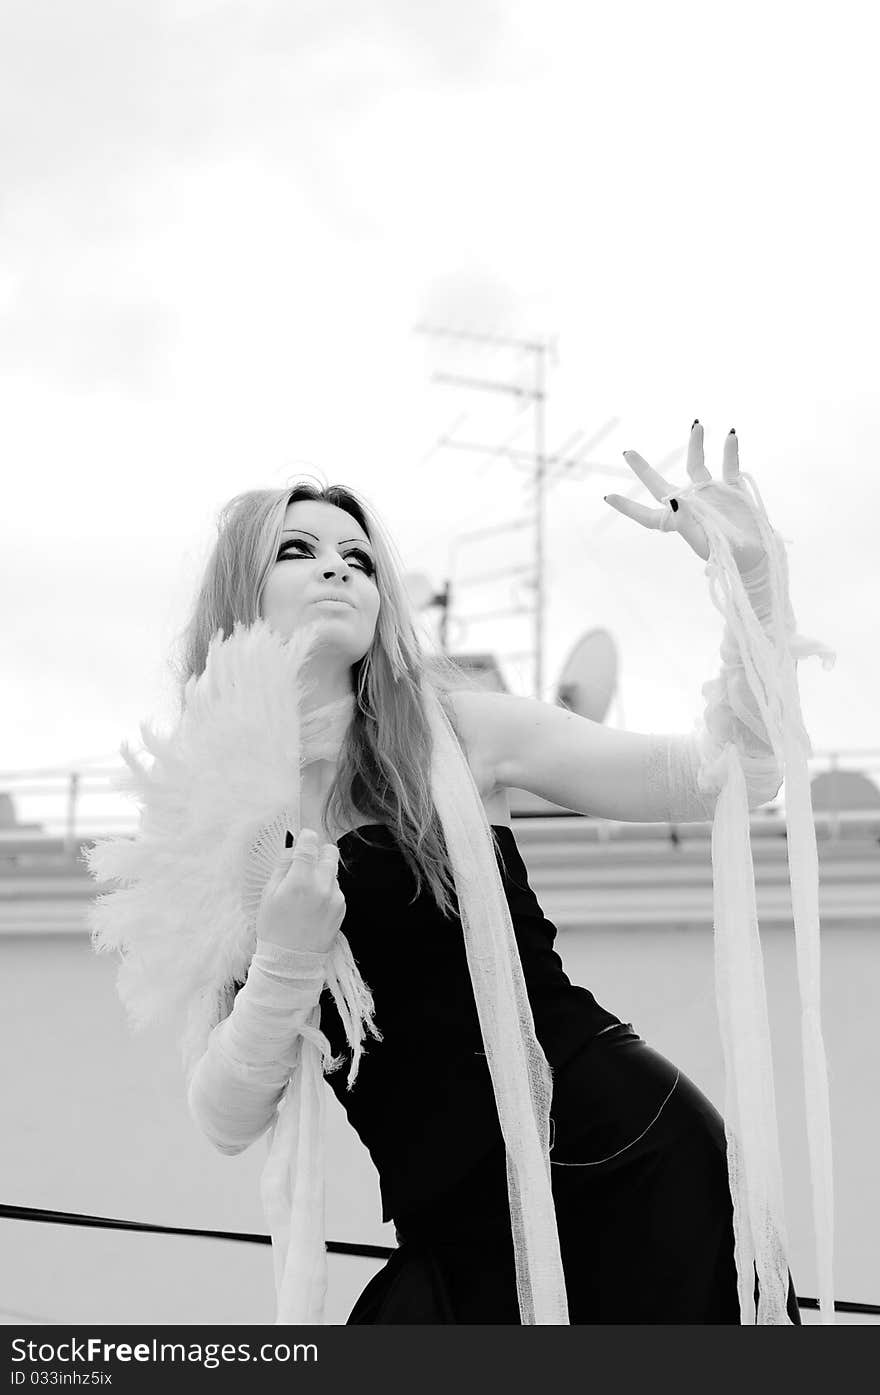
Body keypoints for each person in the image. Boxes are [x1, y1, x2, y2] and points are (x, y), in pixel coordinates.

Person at [178, 422, 825, 1324]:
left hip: (620, 1160)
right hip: (455, 1234)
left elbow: (736, 774)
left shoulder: (456, 735)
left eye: (359, 559)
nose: (339, 568)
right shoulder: (214, 832)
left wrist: (751, 585)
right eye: (299, 549)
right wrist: (285, 961)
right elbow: (225, 1113)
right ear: (239, 597)